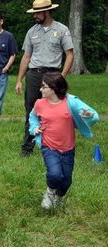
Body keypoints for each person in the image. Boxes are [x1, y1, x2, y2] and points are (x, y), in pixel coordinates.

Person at [29, 73, 98, 209]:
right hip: (48, 146)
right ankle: (50, 192)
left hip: (68, 148)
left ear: (54, 88)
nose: (40, 89)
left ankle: (58, 198)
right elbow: (33, 117)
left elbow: (93, 115)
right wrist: (34, 128)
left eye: (44, 87)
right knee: (55, 174)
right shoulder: (39, 104)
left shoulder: (71, 102)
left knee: (66, 181)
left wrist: (87, 115)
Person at [15, 0, 74, 157]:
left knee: (54, 111)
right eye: (34, 12)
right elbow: (26, 56)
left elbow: (69, 54)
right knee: (31, 112)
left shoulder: (62, 30)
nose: (35, 15)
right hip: (34, 75)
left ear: (47, 12)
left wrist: (62, 76)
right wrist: (19, 79)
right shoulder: (31, 31)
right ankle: (27, 149)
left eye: (37, 13)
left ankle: (52, 146)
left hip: (53, 74)